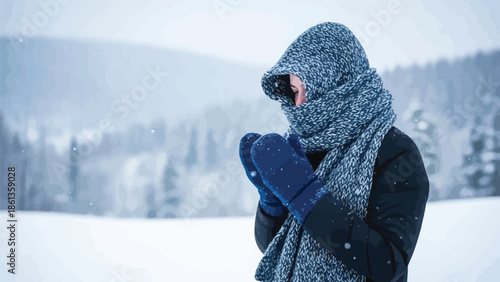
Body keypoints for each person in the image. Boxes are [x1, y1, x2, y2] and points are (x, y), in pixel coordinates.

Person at [238, 22, 429, 281]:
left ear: (338, 83)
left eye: (308, 90)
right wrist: (271, 203)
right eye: (294, 92)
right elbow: (274, 249)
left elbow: (387, 264)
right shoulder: (302, 146)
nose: (300, 104)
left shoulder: (396, 153)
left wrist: (307, 197)